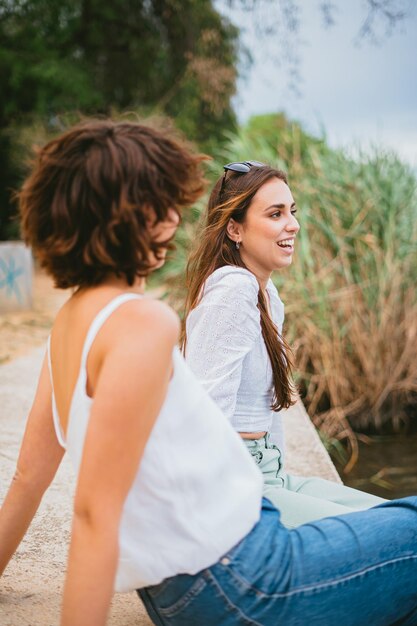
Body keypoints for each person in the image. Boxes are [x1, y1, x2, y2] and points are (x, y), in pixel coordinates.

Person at [1, 121, 417, 626]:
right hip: (240, 575)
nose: (176, 215)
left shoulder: (70, 324)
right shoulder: (143, 320)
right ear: (127, 216)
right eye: (162, 200)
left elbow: (28, 478)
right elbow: (94, 515)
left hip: (181, 585)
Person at [183, 160, 385, 529]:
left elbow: (268, 414)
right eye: (275, 214)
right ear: (234, 229)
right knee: (395, 534)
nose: (293, 224)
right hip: (238, 486)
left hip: (271, 473)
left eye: (291, 212)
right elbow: (205, 412)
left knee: (398, 515)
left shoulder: (267, 294)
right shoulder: (233, 289)